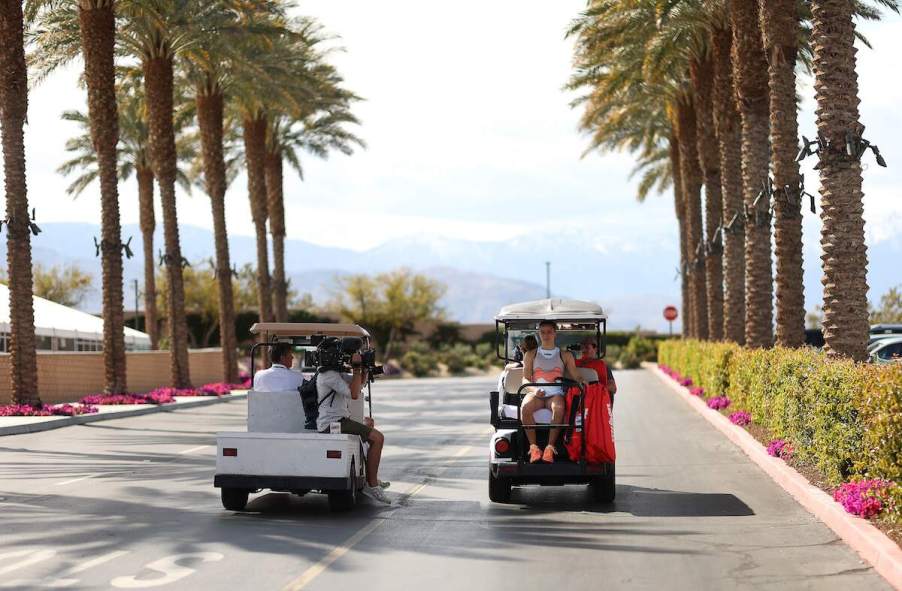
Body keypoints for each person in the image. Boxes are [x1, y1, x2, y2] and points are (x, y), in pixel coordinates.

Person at [315, 341, 391, 504]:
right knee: (378, 438)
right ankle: (372, 486)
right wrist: (356, 368)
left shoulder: (334, 373)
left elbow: (359, 384)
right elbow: (354, 394)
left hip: (340, 421)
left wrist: (363, 369)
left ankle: (373, 479)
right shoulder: (328, 376)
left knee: (368, 431)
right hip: (332, 424)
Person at [522, 320, 587, 463]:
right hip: (536, 394)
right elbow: (525, 380)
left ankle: (549, 448)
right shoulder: (530, 354)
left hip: (555, 394)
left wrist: (583, 382)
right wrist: (534, 389)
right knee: (525, 407)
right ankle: (534, 448)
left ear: (555, 334)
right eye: (543, 332)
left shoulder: (565, 355)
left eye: (549, 332)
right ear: (539, 334)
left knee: (558, 407)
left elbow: (576, 375)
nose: (546, 335)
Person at [575, 336, 617, 405]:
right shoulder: (573, 364)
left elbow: (613, 388)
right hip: (577, 399)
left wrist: (593, 389)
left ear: (596, 349)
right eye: (584, 345)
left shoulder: (603, 366)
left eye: (592, 345)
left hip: (596, 401)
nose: (587, 347)